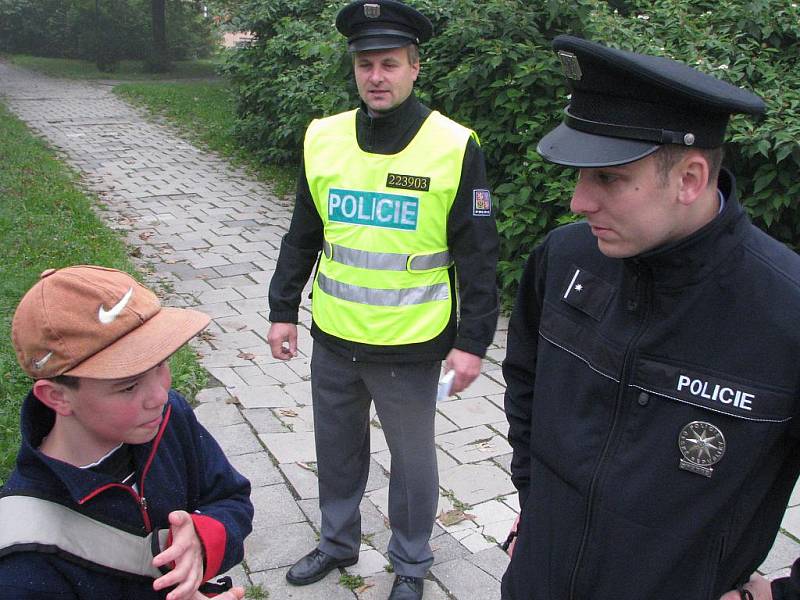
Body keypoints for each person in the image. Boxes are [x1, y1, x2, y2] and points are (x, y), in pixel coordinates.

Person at [502, 35, 800, 600]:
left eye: (608, 178)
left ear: (688, 179)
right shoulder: (564, 259)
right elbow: (525, 382)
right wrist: (535, 504)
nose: (578, 201)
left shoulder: (786, 312)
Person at [266, 1, 499, 598]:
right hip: (335, 334)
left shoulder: (453, 144)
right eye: (366, 63)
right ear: (355, 69)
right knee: (337, 452)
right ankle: (337, 543)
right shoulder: (323, 138)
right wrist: (280, 310)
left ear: (414, 67)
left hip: (411, 344)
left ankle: (412, 564)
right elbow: (302, 232)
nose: (376, 76)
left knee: (413, 465)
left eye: (389, 63)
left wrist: (472, 342)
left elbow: (478, 253)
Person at [0, 265, 254, 600]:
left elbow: (230, 497)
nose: (160, 396)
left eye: (161, 365)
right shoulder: (24, 560)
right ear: (57, 396)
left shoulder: (169, 418)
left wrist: (202, 541)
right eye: (129, 386)